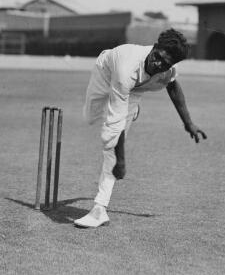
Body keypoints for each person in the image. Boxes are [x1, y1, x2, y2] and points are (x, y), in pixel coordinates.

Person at [74, 28, 207, 228]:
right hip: (106, 74)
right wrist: (122, 161)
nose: (158, 64)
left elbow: (172, 86)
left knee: (110, 148)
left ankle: (99, 209)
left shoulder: (167, 68)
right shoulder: (126, 66)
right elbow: (116, 123)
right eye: (158, 57)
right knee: (90, 117)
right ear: (154, 48)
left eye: (165, 63)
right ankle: (131, 111)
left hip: (134, 89)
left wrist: (188, 123)